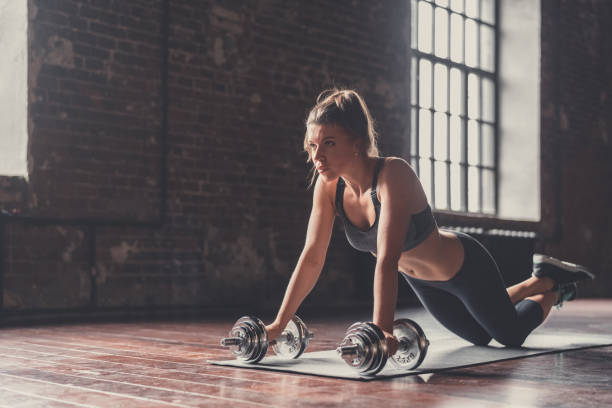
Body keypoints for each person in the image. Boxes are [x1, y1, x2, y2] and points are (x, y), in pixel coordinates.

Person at [265, 88, 594, 354]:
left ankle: (549, 284)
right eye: (312, 145)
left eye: (329, 143)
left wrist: (382, 328)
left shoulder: (393, 174)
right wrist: (279, 324)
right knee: (479, 337)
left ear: (357, 143)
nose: (316, 156)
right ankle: (531, 284)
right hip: (423, 283)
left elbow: (388, 258)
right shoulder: (328, 187)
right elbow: (312, 257)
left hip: (465, 268)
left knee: (509, 336)